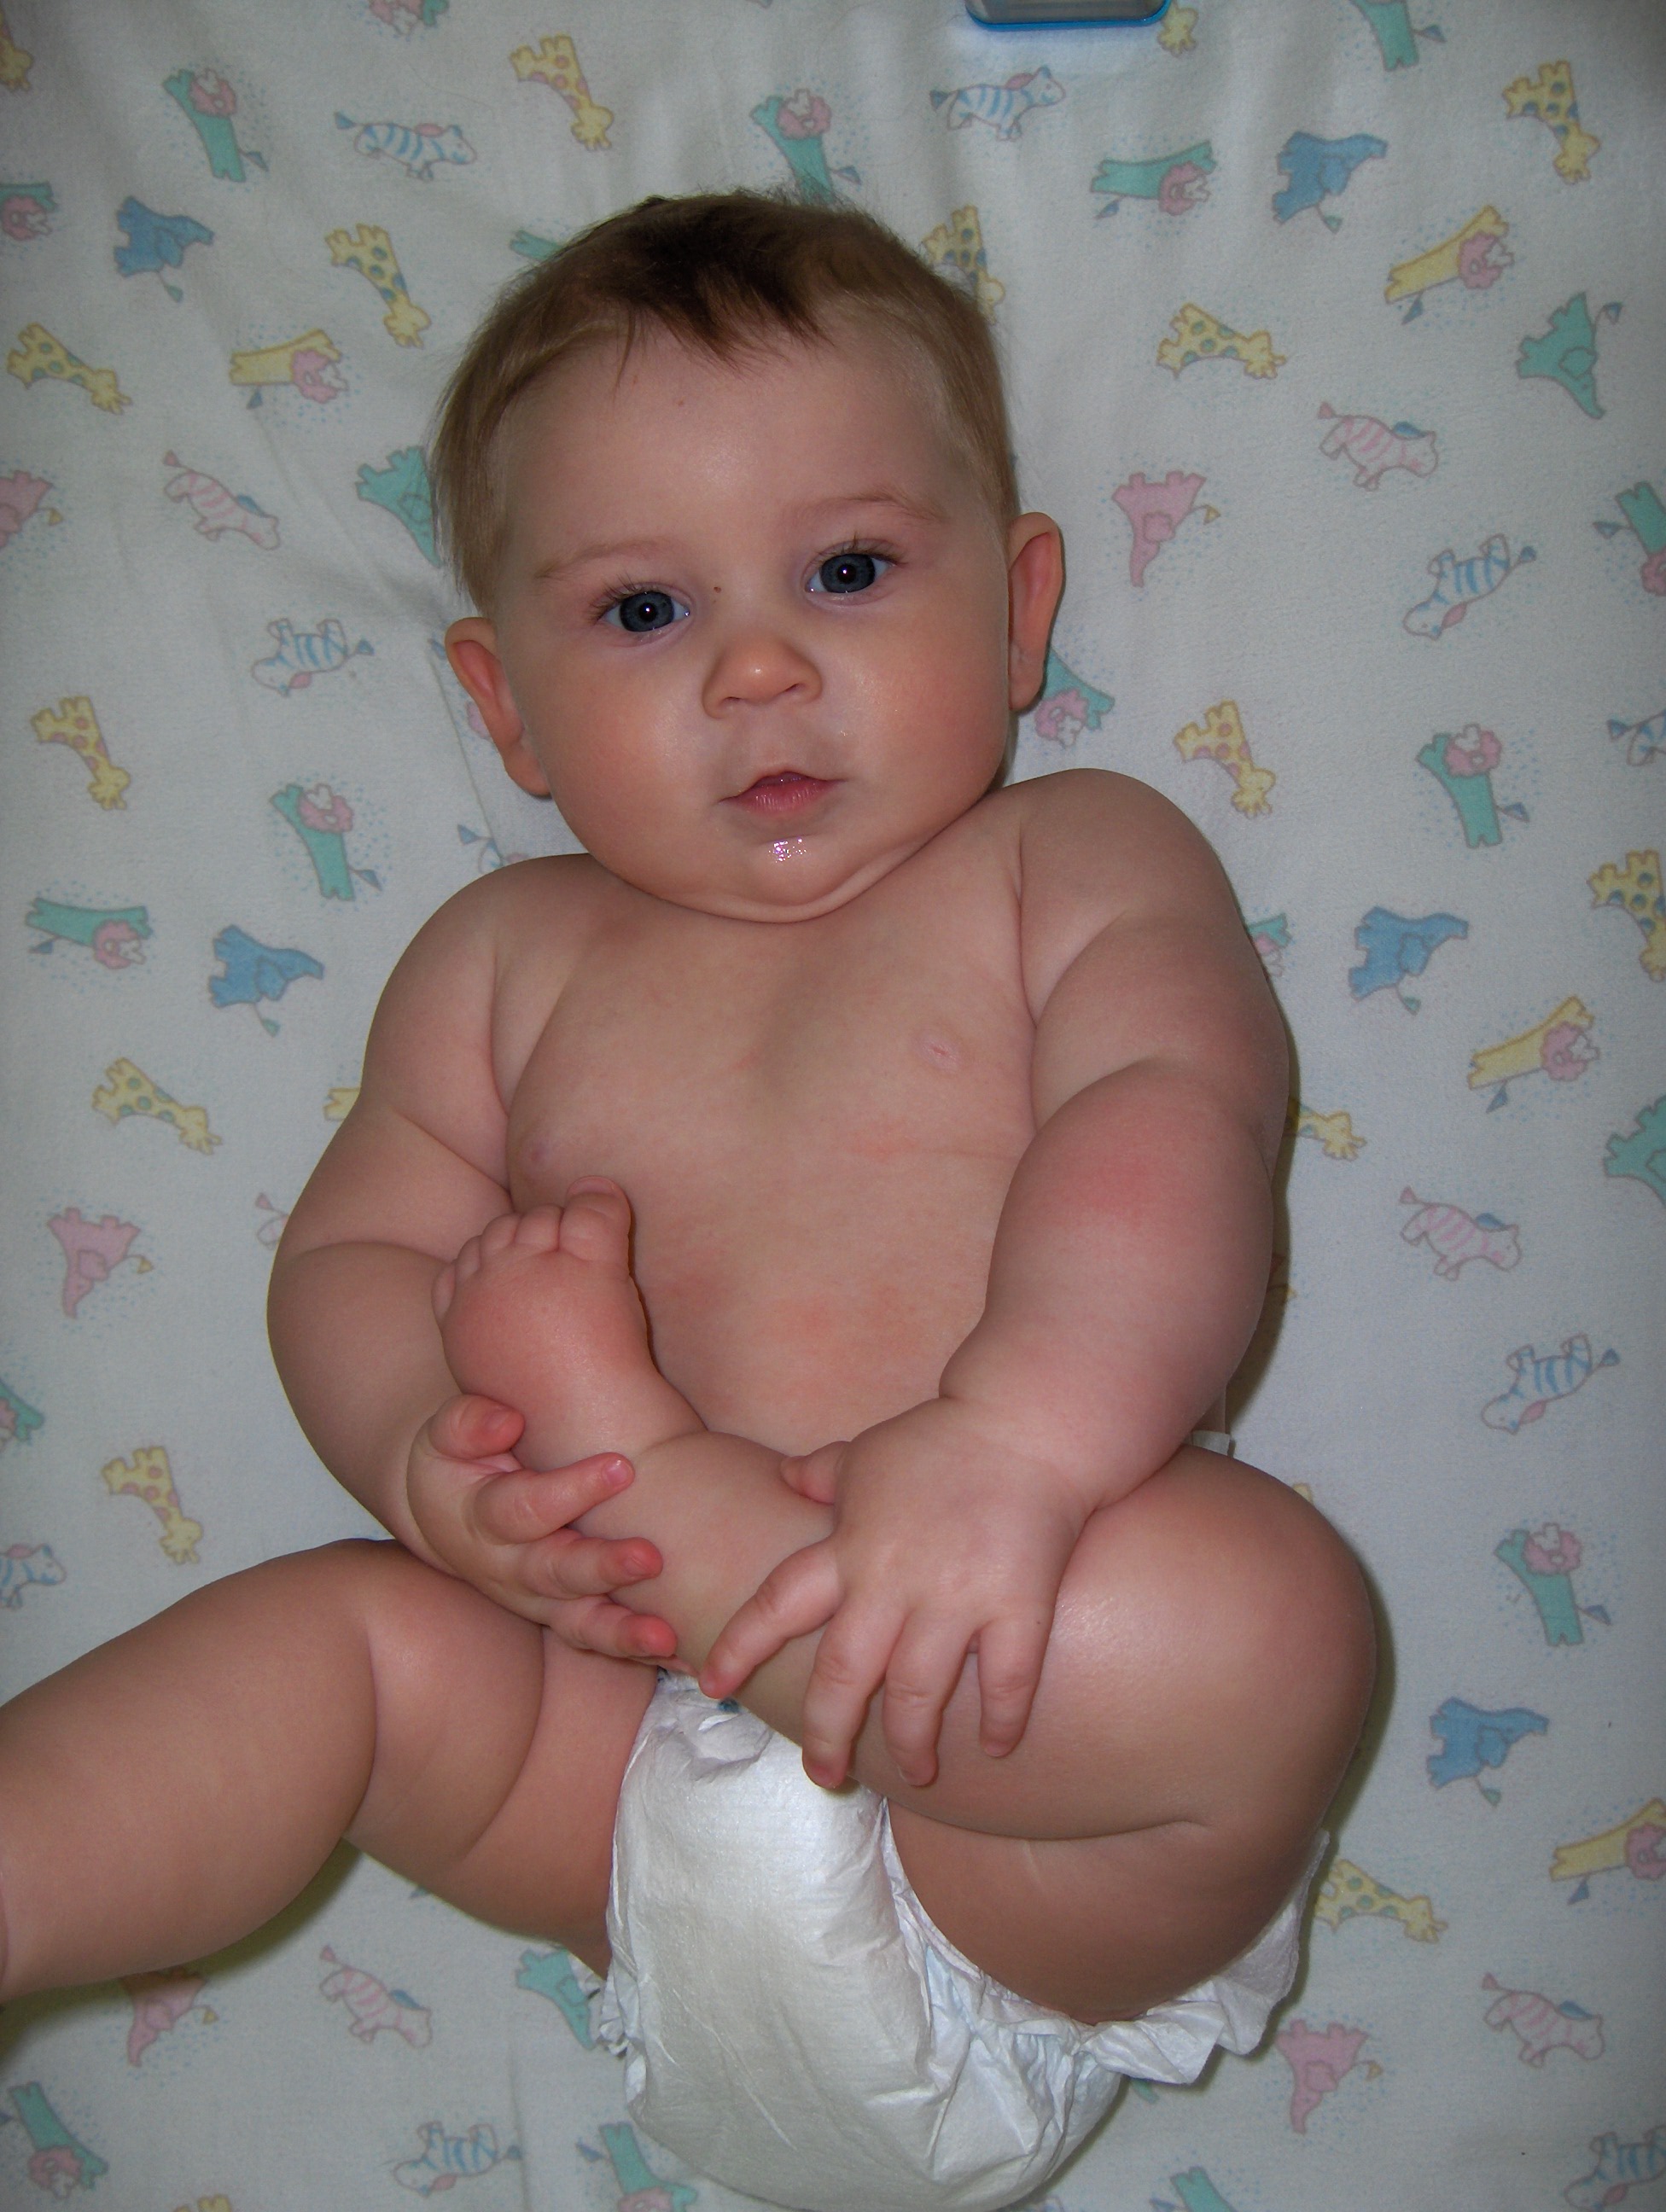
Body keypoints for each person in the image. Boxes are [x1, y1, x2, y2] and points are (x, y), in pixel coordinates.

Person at [0, 192, 1374, 2212]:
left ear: (1017, 608)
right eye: (644, 611)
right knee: (327, 1650)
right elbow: (357, 1254)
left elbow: (1169, 1114)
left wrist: (1020, 1443)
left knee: (1262, 1627)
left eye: (847, 571)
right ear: (506, 709)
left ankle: (686, 1494)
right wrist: (422, 1457)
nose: (757, 669)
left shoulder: (1070, 859)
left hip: (1013, 1819)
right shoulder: (502, 959)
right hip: (620, 1787)